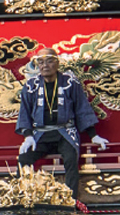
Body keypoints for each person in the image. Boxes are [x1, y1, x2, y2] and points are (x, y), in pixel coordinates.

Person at [16, 48, 108, 202]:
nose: (45, 65)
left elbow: (81, 108)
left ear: (57, 63)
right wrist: (27, 136)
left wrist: (94, 136)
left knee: (71, 159)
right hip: (40, 134)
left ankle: (70, 200)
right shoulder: (31, 85)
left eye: (49, 61)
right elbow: (24, 112)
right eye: (40, 61)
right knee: (23, 159)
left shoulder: (70, 82)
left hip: (65, 132)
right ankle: (22, 197)